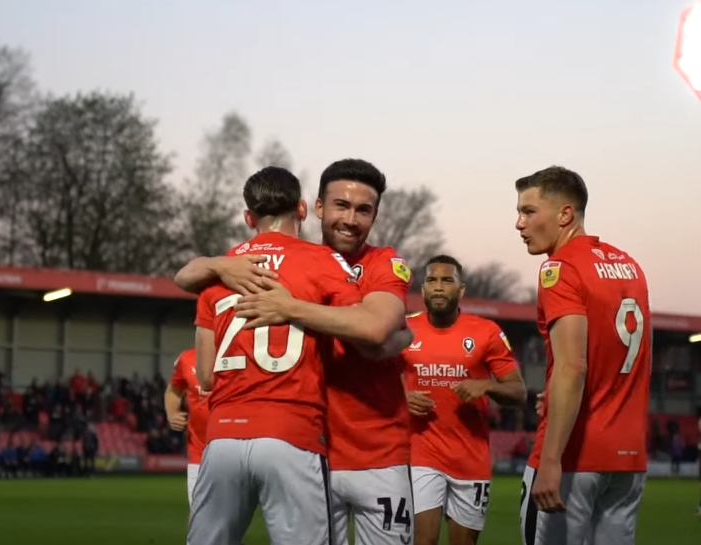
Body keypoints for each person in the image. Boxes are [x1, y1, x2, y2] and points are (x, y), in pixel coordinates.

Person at [175, 159, 415, 545]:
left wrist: (283, 303)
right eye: (341, 206)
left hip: (374, 452)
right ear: (312, 208)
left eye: (363, 210)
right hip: (305, 443)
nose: (350, 219)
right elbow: (378, 339)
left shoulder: (383, 261)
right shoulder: (317, 264)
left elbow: (375, 330)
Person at [514, 166, 652, 545]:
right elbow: (616, 356)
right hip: (628, 459)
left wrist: (551, 460)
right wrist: (558, 398)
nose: (518, 223)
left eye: (528, 211)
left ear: (564, 215)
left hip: (576, 456)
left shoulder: (559, 270)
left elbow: (574, 366)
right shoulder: (630, 266)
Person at [400, 254, 526, 545]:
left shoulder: (486, 332)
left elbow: (518, 392)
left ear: (461, 290)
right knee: (423, 541)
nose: (439, 287)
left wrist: (487, 386)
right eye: (432, 280)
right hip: (421, 454)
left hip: (471, 459)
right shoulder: (404, 330)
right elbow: (376, 384)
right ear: (423, 291)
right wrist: (401, 398)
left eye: (447, 280)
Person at [164, 347, 209, 508]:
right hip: (199, 453)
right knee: (199, 517)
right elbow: (174, 390)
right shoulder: (187, 358)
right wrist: (172, 413)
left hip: (235, 452)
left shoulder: (242, 353)